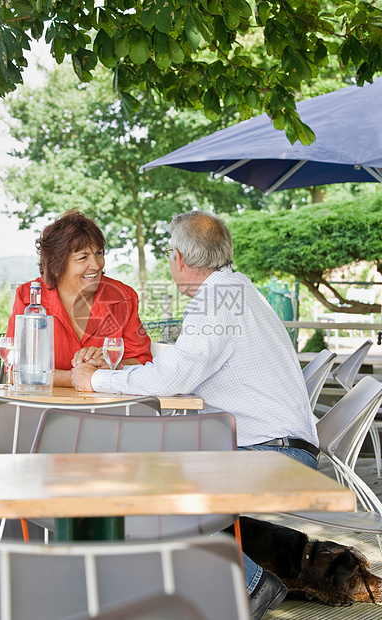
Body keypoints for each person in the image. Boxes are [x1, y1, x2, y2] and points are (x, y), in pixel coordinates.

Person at [71, 210, 319, 620]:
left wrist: (96, 381)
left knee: (152, 486)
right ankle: (227, 584)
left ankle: (253, 586)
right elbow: (187, 369)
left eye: (169, 256)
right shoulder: (234, 290)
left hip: (273, 453)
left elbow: (175, 376)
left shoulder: (219, 298)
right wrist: (115, 375)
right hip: (272, 445)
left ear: (180, 259)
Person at [7, 209, 152, 386]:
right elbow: (17, 370)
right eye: (83, 257)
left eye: (99, 253)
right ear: (56, 265)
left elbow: (142, 362)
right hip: (43, 408)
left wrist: (110, 365)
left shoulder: (123, 297)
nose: (97, 265)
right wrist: (89, 377)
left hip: (105, 410)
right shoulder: (27, 297)